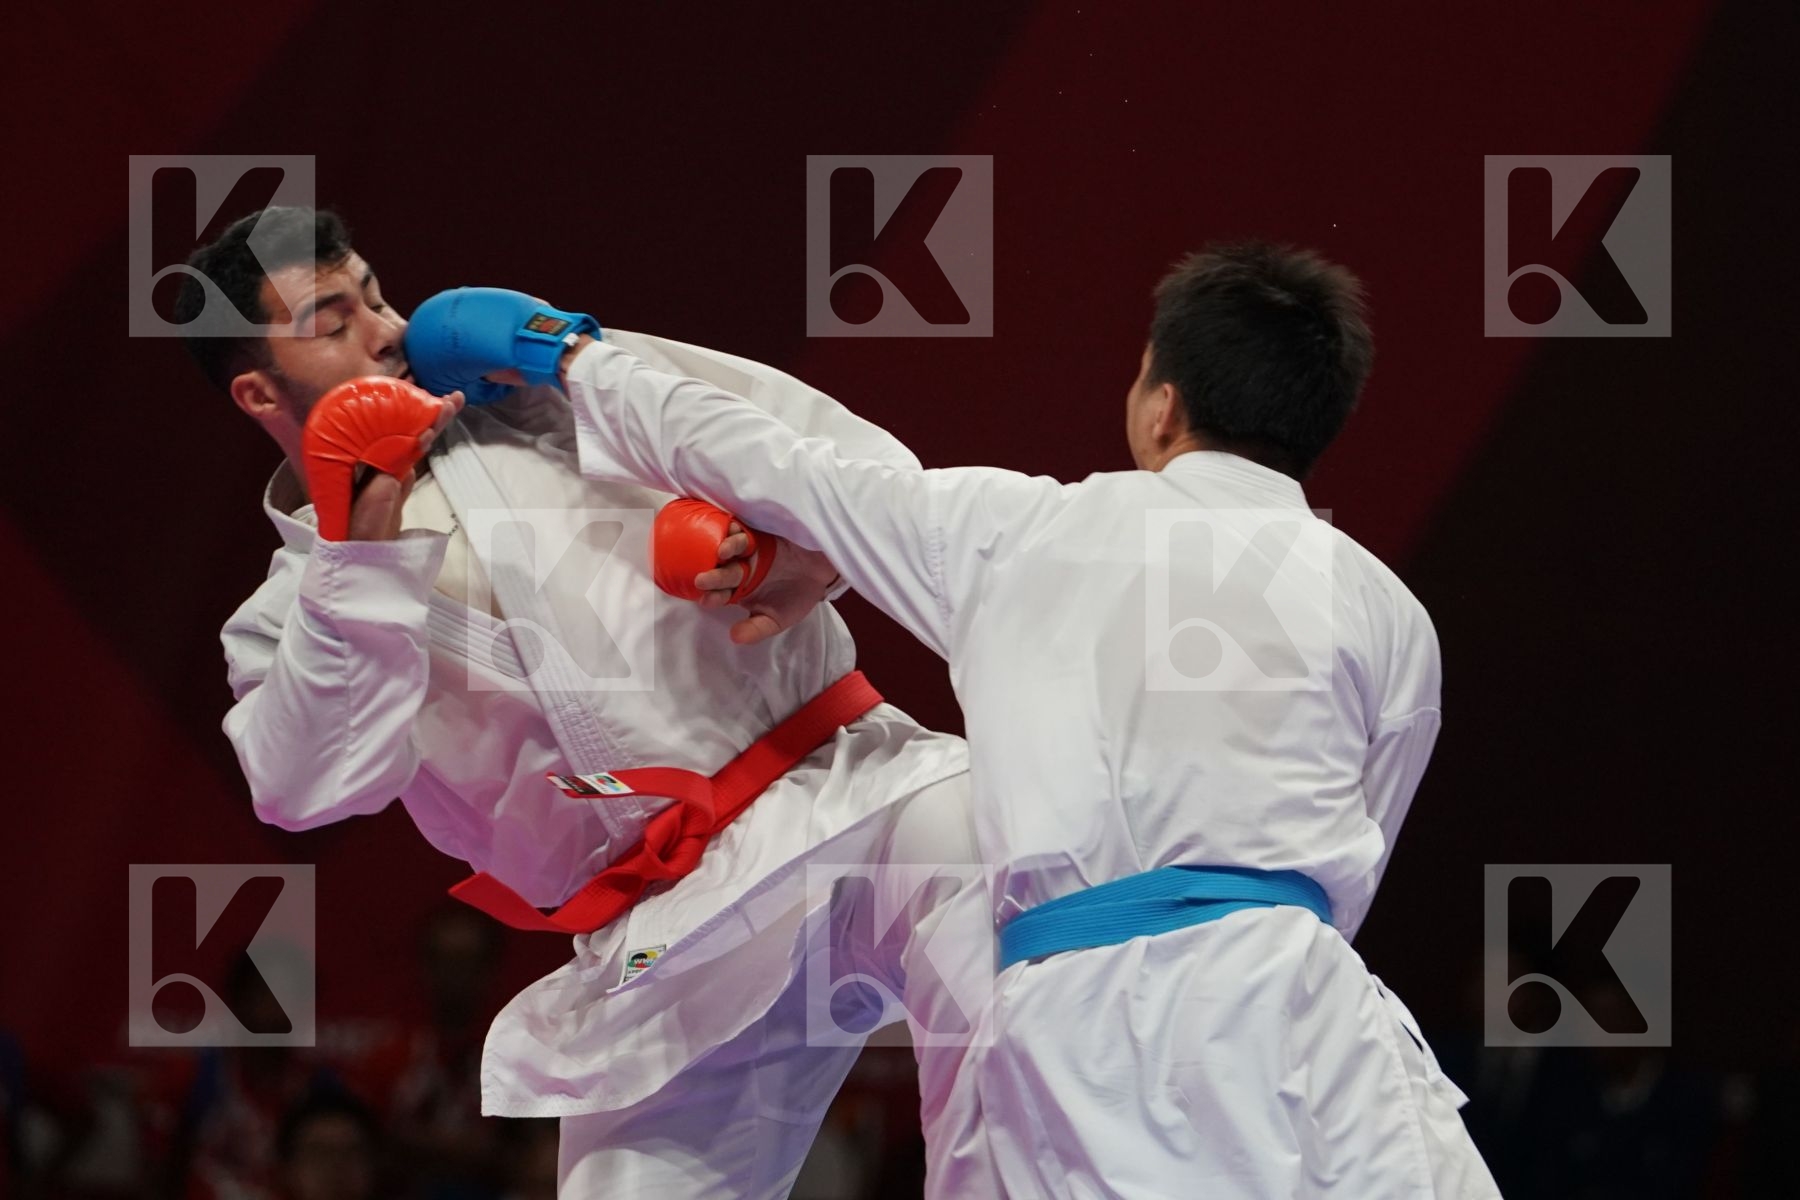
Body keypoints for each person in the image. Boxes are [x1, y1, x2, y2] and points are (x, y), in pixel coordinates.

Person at [417, 243, 1505, 1196]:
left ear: (1160, 402)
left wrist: (565, 353)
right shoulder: (1389, 611)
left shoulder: (1022, 531)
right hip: (1305, 1011)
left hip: (1076, 1032)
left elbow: (772, 462)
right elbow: (1359, 846)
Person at [185, 206, 997, 1198]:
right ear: (257, 390)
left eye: (377, 294)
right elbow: (306, 788)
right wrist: (359, 559)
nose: (387, 329)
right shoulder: (287, 615)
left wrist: (798, 553)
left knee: (1008, 945)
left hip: (859, 800)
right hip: (668, 941)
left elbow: (857, 469)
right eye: (332, 317)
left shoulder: (552, 391)